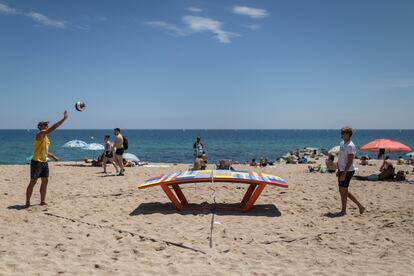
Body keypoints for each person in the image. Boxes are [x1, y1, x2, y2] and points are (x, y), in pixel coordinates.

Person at [25, 111, 68, 208]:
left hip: (44, 161)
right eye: (45, 124)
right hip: (36, 162)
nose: (47, 125)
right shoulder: (40, 134)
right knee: (33, 182)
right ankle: (27, 201)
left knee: (45, 181)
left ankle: (42, 201)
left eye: (47, 124)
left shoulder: (46, 138)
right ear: (40, 127)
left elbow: (45, 150)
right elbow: (54, 127)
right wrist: (64, 118)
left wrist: (53, 156)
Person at [336, 127, 365, 216]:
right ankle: (356, 207)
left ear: (349, 134)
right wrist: (338, 168)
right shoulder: (342, 143)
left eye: (345, 133)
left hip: (348, 170)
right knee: (342, 191)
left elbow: (350, 161)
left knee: (343, 190)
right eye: (342, 133)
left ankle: (349, 208)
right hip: (341, 169)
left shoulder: (350, 146)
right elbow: (340, 157)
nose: (343, 135)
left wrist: (344, 173)